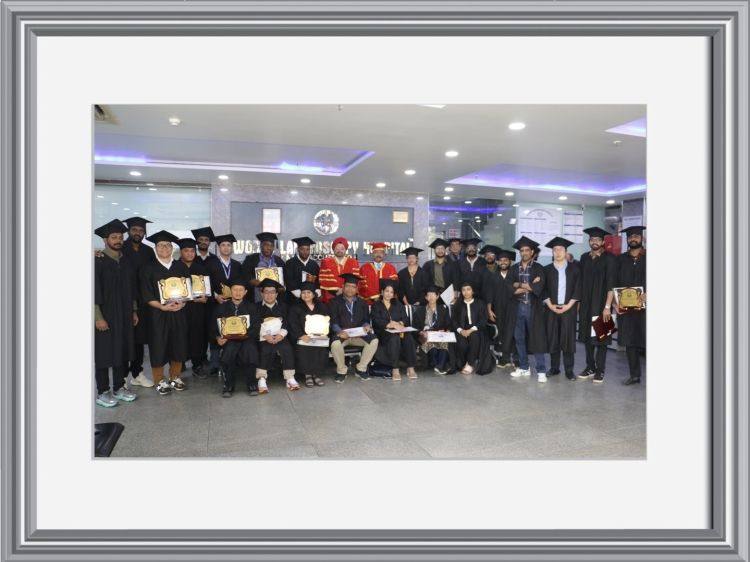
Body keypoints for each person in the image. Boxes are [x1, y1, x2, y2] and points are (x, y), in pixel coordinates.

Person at [93, 219, 138, 407]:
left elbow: (132, 288)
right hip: (106, 314)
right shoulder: (97, 261)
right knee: (104, 354)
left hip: (125, 313)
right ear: (105, 240)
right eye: (114, 237)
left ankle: (119, 387)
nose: (118, 240)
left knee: (122, 350)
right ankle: (102, 391)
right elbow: (93, 290)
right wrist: (98, 317)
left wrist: (134, 310)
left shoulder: (126, 261)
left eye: (120, 237)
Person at [140, 230, 191, 396]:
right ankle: (159, 380)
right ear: (155, 248)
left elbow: (188, 290)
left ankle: (175, 377)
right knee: (158, 345)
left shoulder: (180, 267)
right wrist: (162, 307)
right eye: (161, 245)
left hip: (178, 312)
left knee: (178, 343)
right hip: (158, 314)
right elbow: (146, 293)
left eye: (168, 245)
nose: (164, 248)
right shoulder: (148, 268)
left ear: (172, 248)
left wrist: (183, 303)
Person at [577, 227, 617, 383]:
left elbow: (611, 285)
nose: (594, 242)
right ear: (589, 241)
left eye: (598, 240)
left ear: (603, 242)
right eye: (592, 239)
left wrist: (607, 307)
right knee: (587, 338)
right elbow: (580, 282)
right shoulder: (584, 258)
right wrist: (579, 303)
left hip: (602, 304)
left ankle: (600, 370)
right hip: (587, 304)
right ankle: (590, 367)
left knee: (602, 338)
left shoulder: (610, 259)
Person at [120, 216, 156, 388]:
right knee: (124, 339)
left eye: (141, 230)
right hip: (123, 300)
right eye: (134, 230)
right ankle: (121, 376)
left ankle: (137, 373)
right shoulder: (121, 248)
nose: (138, 233)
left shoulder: (148, 251)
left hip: (143, 301)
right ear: (128, 231)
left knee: (139, 339)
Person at [211, 276, 260, 397]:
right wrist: (218, 338)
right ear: (230, 291)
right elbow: (213, 327)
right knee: (230, 349)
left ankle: (252, 384)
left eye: (240, 290)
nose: (238, 292)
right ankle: (229, 384)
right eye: (235, 289)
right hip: (229, 340)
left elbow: (256, 326)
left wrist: (245, 335)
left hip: (247, 338)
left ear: (245, 292)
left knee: (250, 349)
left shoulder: (252, 307)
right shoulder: (221, 308)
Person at [542, 237, 582, 381]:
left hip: (569, 309)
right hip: (551, 309)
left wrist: (568, 306)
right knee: (553, 338)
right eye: (555, 250)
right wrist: (551, 305)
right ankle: (554, 368)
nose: (558, 252)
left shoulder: (575, 269)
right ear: (552, 252)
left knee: (568, 339)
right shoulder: (546, 270)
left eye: (561, 249)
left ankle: (569, 370)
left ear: (566, 252)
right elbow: (543, 290)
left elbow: (578, 289)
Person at [510, 236, 548, 381]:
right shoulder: (514, 268)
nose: (524, 252)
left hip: (533, 308)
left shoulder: (539, 268)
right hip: (517, 308)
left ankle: (541, 370)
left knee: (537, 339)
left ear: (532, 252)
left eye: (527, 250)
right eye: (522, 250)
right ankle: (524, 367)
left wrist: (519, 284)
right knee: (519, 338)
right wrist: (529, 285)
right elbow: (509, 288)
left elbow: (539, 288)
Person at [329, 273, 379, 383]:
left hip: (358, 335)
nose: (350, 289)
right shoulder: (334, 302)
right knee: (335, 344)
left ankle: (360, 368)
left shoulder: (362, 303)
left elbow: (365, 320)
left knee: (374, 340)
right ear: (343, 287)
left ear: (357, 289)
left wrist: (366, 326)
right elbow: (333, 321)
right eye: (347, 286)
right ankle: (341, 371)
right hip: (342, 335)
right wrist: (340, 331)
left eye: (353, 287)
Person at [205, 233, 243, 376]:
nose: (226, 248)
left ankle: (231, 359)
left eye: (228, 245)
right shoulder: (210, 264)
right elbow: (205, 284)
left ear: (232, 248)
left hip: (233, 304)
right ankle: (214, 362)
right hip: (215, 303)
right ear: (218, 247)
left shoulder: (237, 265)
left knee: (231, 329)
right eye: (223, 245)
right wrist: (215, 296)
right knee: (215, 330)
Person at [614, 226, 647, 385]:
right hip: (626, 308)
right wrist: (615, 302)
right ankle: (635, 375)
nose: (633, 239)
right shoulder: (620, 260)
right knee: (629, 341)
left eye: (636, 236)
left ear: (642, 238)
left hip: (646, 308)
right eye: (630, 237)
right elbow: (614, 282)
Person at [255, 278, 299, 392]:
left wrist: (281, 335)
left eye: (272, 292)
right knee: (264, 349)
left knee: (287, 348)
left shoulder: (284, 307)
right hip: (264, 337)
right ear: (261, 293)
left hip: (280, 335)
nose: (269, 295)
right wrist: (265, 336)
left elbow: (287, 322)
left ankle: (289, 377)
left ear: (276, 294)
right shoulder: (256, 307)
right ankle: (261, 378)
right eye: (266, 292)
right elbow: (255, 324)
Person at [371, 279, 418, 381]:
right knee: (394, 338)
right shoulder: (376, 305)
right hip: (383, 333)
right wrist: (389, 324)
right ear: (382, 292)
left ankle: (411, 367)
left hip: (398, 331)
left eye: (391, 292)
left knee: (408, 337)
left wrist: (400, 323)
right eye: (387, 291)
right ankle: (395, 368)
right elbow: (376, 321)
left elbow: (405, 319)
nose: (389, 294)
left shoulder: (398, 304)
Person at [177, 238, 210, 378]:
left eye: (192, 251)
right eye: (186, 251)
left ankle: (197, 365)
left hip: (197, 308)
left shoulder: (201, 269)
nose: (190, 254)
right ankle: (179, 362)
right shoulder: (174, 267)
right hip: (179, 309)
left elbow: (207, 290)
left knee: (197, 336)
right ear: (181, 252)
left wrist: (206, 297)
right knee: (180, 335)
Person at [287, 281, 330, 388]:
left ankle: (316, 374)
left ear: (314, 294)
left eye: (308, 292)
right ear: (300, 294)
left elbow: (327, 321)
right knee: (305, 347)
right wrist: (301, 335)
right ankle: (308, 375)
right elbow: (293, 323)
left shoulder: (322, 307)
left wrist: (323, 334)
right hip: (302, 337)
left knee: (319, 347)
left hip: (319, 336)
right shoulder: (295, 307)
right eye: (303, 292)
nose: (306, 295)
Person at [452, 280, 491, 375]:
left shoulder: (480, 303)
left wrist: (471, 330)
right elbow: (454, 320)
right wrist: (460, 330)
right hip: (462, 330)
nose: (466, 292)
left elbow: (483, 319)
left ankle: (470, 363)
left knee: (474, 337)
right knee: (462, 344)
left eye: (468, 289)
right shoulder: (458, 304)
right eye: (463, 290)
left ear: (473, 291)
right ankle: (462, 362)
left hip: (477, 329)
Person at [413, 286, 454, 375]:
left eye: (433, 295)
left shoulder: (443, 309)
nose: (431, 297)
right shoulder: (420, 311)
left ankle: (439, 366)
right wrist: (421, 332)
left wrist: (447, 330)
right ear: (426, 297)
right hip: (426, 336)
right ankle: (439, 365)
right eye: (429, 295)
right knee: (432, 346)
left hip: (439, 335)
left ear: (437, 296)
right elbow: (414, 327)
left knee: (444, 343)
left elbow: (448, 324)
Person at [242, 232, 286, 303]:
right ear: (261, 245)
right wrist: (253, 281)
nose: (268, 248)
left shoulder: (279, 261)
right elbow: (244, 275)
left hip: (275, 300)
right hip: (256, 298)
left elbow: (285, 278)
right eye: (266, 245)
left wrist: (283, 287)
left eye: (271, 246)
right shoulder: (250, 259)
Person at [494, 249, 518, 367]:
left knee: (514, 333)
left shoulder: (515, 275)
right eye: (501, 260)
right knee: (502, 332)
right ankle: (505, 357)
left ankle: (517, 358)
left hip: (513, 307)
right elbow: (489, 294)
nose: (503, 262)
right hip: (498, 308)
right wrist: (489, 310)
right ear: (498, 262)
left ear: (510, 262)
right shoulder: (493, 276)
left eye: (506, 260)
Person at [318, 237, 360, 304]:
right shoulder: (326, 262)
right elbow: (324, 281)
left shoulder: (353, 262)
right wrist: (336, 292)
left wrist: (344, 290)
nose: (339, 250)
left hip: (349, 297)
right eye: (337, 248)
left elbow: (355, 281)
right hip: (330, 297)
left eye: (342, 249)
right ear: (333, 249)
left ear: (345, 250)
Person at [283, 236, 320, 305]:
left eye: (307, 249)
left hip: (311, 300)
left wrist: (315, 293)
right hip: (293, 299)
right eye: (302, 249)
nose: (305, 252)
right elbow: (289, 281)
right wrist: (302, 295)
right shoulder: (290, 263)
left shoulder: (314, 264)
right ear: (298, 249)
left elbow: (317, 281)